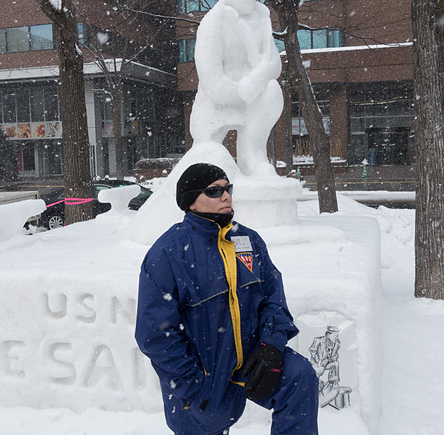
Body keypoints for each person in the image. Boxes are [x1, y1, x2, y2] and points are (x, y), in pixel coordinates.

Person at [135, 163, 319, 434]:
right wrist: (193, 385)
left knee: (299, 376)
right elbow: (155, 333)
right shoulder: (168, 252)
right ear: (191, 202)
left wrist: (271, 347)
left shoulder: (248, 240)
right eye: (214, 191)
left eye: (227, 188)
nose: (226, 196)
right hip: (203, 372)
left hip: (253, 359)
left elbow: (273, 297)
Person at [189, 0, 283, 178]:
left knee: (271, 90)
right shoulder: (212, 23)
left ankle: (254, 158)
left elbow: (274, 65)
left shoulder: (260, 21)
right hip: (218, 100)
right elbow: (212, 81)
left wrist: (256, 81)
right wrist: (242, 90)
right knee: (206, 157)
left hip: (253, 96)